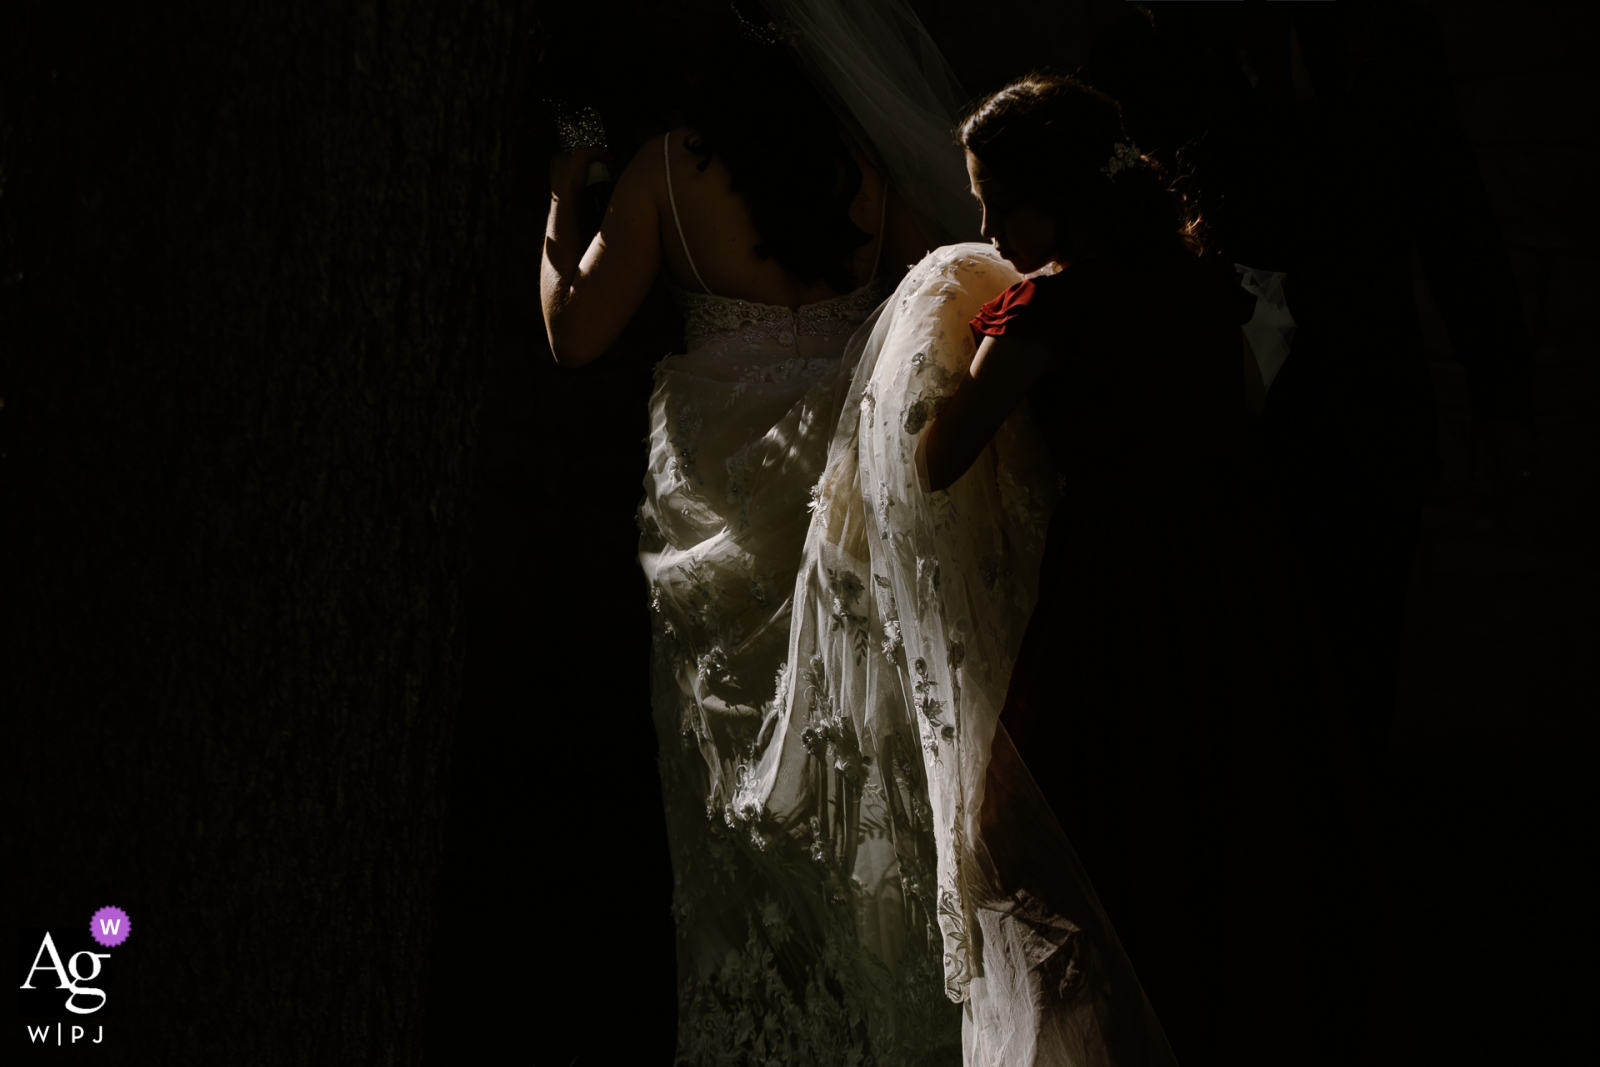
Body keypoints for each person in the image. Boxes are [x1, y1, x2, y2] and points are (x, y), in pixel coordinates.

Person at [540, 7, 974, 1062]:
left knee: (725, 776)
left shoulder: (661, 172)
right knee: (855, 752)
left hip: (717, 518)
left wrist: (562, 190)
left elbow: (572, 331)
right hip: (841, 504)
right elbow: (937, 303)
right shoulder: (867, 170)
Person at [919, 73, 1358, 1065]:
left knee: (1070, 822)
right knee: (1216, 790)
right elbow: (1245, 406)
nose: (987, 222)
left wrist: (939, 349)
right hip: (1235, 566)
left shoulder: (1044, 313)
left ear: (1060, 195)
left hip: (1118, 575)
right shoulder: (1199, 284)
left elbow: (939, 458)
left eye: (999, 200)